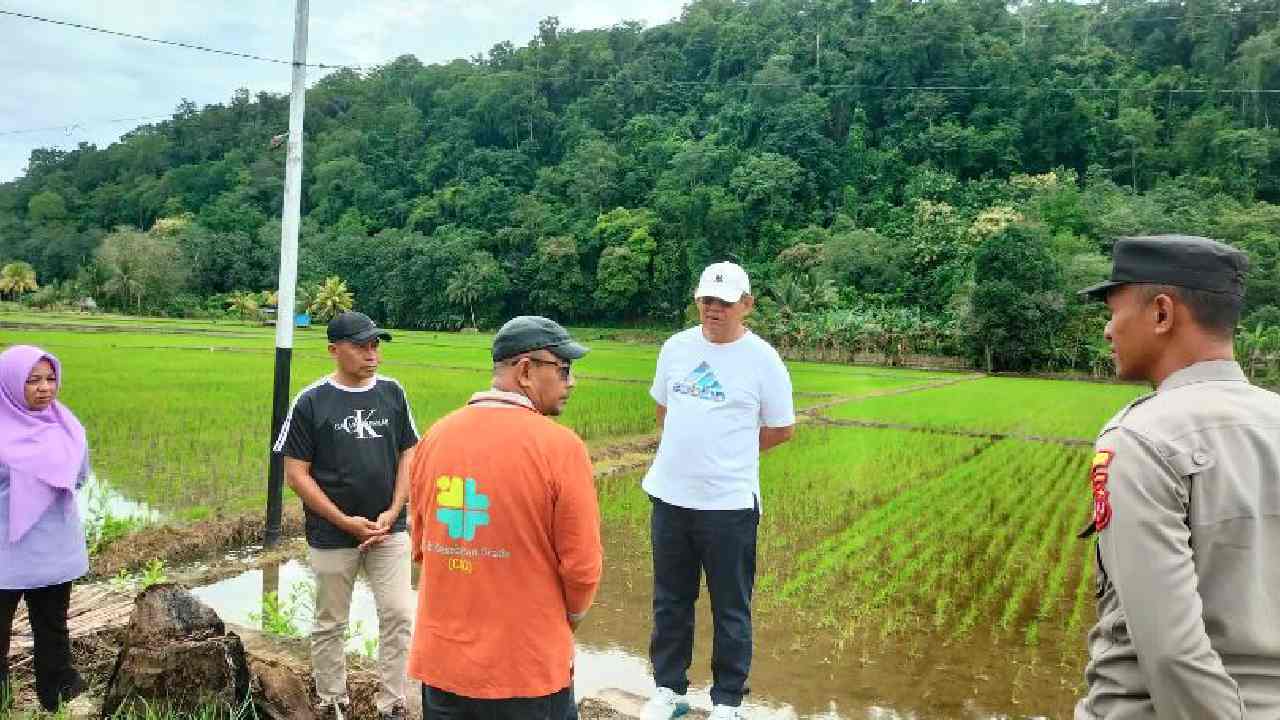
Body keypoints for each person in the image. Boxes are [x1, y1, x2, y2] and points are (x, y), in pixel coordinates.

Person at [1075, 235, 1280, 719]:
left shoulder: (1143, 438)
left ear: (1162, 314)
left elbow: (1172, 652)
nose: (1108, 330)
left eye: (1114, 311)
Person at [407, 316, 602, 720]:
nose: (572, 382)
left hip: (443, 664)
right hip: (525, 669)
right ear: (526, 370)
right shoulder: (561, 448)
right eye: (563, 369)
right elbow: (582, 568)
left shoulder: (435, 436)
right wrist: (569, 620)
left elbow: (422, 544)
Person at [640, 262, 796, 720]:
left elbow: (782, 429)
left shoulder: (763, 359)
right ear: (697, 300)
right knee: (670, 601)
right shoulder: (675, 347)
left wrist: (728, 459)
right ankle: (669, 690)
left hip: (728, 506)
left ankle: (727, 701)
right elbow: (663, 411)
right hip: (669, 498)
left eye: (725, 302)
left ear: (746, 305)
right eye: (708, 299)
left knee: (731, 608)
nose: (714, 309)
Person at [273, 311, 418, 720]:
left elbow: (409, 450)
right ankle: (331, 699)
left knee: (398, 614)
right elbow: (295, 474)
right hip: (333, 534)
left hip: (389, 529)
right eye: (361, 346)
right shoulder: (312, 401)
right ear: (334, 350)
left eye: (376, 345)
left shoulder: (393, 392)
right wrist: (344, 521)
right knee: (331, 621)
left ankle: (393, 703)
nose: (372, 354)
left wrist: (393, 511)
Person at [0, 345, 89, 713]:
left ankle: (58, 701)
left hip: (54, 550)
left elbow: (81, 477)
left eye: (50, 378)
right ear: (8, 383)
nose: (44, 387)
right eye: (32, 380)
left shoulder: (67, 426)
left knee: (53, 629)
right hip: (6, 552)